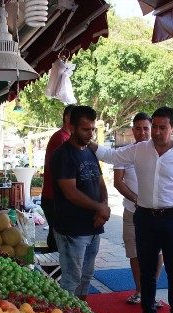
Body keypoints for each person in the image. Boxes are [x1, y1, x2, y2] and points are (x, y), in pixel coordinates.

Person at [90, 107, 173, 313]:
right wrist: (88, 141)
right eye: (156, 127)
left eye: (163, 127)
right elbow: (111, 156)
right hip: (145, 218)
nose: (157, 132)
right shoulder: (139, 150)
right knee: (147, 271)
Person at [50, 106, 109, 301]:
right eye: (85, 129)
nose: (90, 134)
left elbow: (100, 183)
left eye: (92, 129)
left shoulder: (89, 151)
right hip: (72, 230)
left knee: (86, 277)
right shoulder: (63, 154)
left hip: (93, 227)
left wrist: (104, 206)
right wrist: (100, 208)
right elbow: (71, 193)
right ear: (72, 127)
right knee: (71, 279)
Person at [113, 112, 164, 307]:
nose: (142, 132)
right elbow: (118, 182)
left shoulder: (161, 152)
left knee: (158, 252)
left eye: (146, 128)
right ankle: (140, 291)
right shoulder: (124, 153)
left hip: (156, 213)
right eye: (138, 128)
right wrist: (136, 199)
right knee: (134, 252)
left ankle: (151, 291)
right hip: (131, 211)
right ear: (132, 130)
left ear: (151, 129)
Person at [42, 105, 75, 252]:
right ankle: (55, 264)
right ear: (67, 119)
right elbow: (61, 170)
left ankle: (54, 264)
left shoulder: (66, 137)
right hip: (54, 197)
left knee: (57, 235)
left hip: (56, 197)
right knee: (58, 237)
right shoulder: (61, 138)